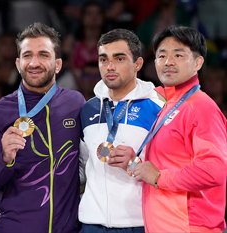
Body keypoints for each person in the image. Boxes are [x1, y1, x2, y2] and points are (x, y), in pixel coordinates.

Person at [0, 22, 85, 233]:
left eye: (43, 55)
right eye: (28, 55)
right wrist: (5, 158)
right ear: (18, 63)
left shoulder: (75, 103)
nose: (34, 62)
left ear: (57, 64)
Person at [133, 25, 227, 232]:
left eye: (178, 55)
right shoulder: (166, 103)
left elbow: (214, 171)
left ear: (198, 62)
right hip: (165, 224)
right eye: (162, 55)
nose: (168, 62)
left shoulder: (200, 107)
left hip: (190, 226)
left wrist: (159, 177)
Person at [78, 28, 164, 233]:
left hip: (139, 223)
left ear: (138, 64)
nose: (109, 66)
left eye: (119, 59)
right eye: (103, 59)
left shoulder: (158, 108)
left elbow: (173, 167)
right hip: (91, 223)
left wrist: (136, 162)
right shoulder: (87, 109)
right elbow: (83, 166)